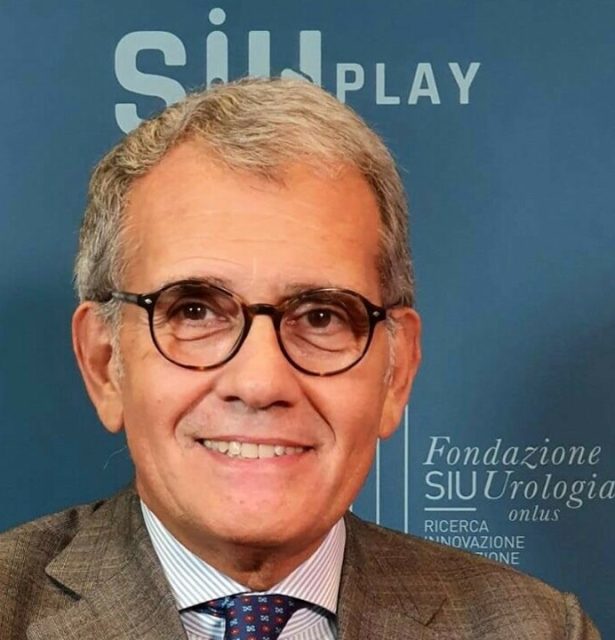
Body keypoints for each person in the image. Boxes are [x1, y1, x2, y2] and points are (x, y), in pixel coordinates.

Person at [0, 78, 600, 640]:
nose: (261, 382)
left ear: (396, 372)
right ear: (105, 363)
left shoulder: (539, 628)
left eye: (321, 317)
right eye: (196, 312)